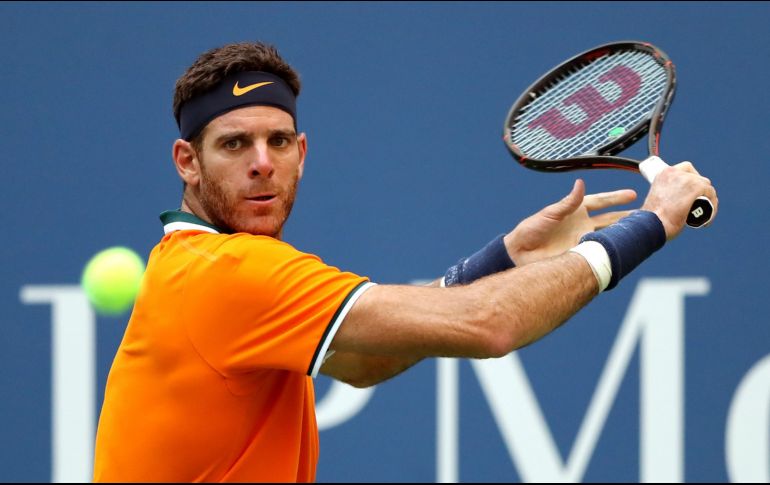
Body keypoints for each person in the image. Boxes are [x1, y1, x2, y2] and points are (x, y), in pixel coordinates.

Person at [92, 41, 718, 482]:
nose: (262, 163)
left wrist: (505, 258)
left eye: (277, 141)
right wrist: (651, 224)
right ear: (187, 162)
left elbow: (365, 362)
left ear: (301, 152)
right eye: (234, 144)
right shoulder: (227, 272)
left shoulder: (203, 268)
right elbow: (489, 325)